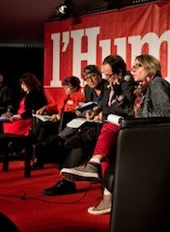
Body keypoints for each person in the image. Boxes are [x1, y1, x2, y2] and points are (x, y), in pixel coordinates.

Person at [61, 54, 170, 215]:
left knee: (109, 129)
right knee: (109, 135)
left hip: (154, 137)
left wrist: (133, 119)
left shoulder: (157, 84)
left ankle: (94, 165)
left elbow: (165, 114)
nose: (133, 69)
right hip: (144, 131)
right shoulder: (146, 86)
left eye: (137, 66)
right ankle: (103, 184)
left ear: (149, 67)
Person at [41, 56, 135, 196]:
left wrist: (102, 112)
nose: (105, 78)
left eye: (105, 75)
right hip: (100, 123)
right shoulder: (105, 85)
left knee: (83, 139)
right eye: (105, 75)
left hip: (113, 126)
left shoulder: (123, 83)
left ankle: (69, 169)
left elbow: (127, 107)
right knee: (80, 140)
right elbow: (102, 106)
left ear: (119, 72)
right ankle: (68, 175)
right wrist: (91, 112)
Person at [30, 75, 85, 169]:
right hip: (59, 122)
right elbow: (57, 105)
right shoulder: (67, 96)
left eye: (67, 87)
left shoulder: (79, 96)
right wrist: (46, 108)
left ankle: (32, 143)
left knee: (42, 126)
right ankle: (37, 152)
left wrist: (58, 116)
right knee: (42, 127)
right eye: (65, 87)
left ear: (75, 87)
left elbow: (73, 111)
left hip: (66, 124)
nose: (65, 89)